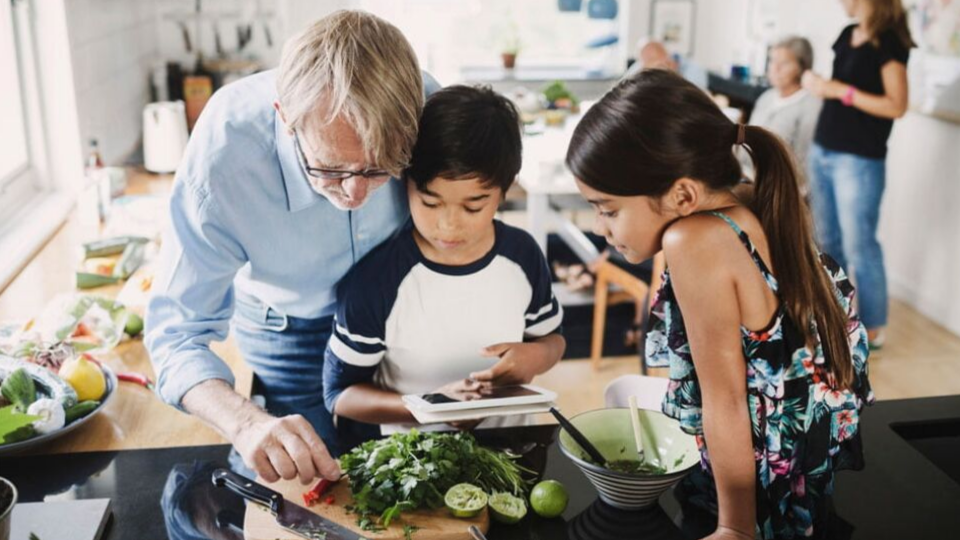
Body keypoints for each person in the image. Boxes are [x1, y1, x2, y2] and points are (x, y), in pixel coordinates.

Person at [566, 70, 872, 539]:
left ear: (682, 194)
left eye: (607, 210)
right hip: (800, 482)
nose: (599, 227)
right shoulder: (748, 207)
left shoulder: (694, 239)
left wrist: (734, 528)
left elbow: (725, 400)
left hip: (748, 497)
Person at [145, 10, 439, 484]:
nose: (355, 196)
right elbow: (175, 333)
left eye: (379, 169)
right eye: (329, 169)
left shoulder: (428, 101)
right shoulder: (224, 153)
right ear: (286, 119)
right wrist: (246, 424)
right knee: (305, 477)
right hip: (287, 329)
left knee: (403, 473)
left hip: (398, 317)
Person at [322, 85, 565, 437]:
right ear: (405, 182)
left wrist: (535, 358)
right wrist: (427, 406)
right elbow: (339, 395)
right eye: (430, 203)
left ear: (506, 188)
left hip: (511, 447)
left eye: (473, 206)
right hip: (413, 463)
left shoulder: (522, 255)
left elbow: (552, 339)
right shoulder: (377, 282)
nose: (449, 225)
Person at [802, 0, 914, 349]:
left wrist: (840, 91)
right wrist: (821, 85)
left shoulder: (888, 42)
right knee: (829, 243)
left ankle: (874, 329)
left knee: (860, 245)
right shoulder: (847, 34)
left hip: (859, 160)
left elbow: (896, 105)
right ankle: (834, 318)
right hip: (824, 148)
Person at [746, 36, 821, 190]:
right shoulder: (766, 98)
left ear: (802, 68)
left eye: (784, 63)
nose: (775, 68)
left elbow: (803, 166)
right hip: (747, 178)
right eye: (772, 61)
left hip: (780, 189)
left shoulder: (812, 105)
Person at [624, 38, 708, 89]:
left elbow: (694, 99)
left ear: (669, 62)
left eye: (658, 66)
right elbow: (622, 88)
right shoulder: (642, 64)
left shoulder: (694, 70)